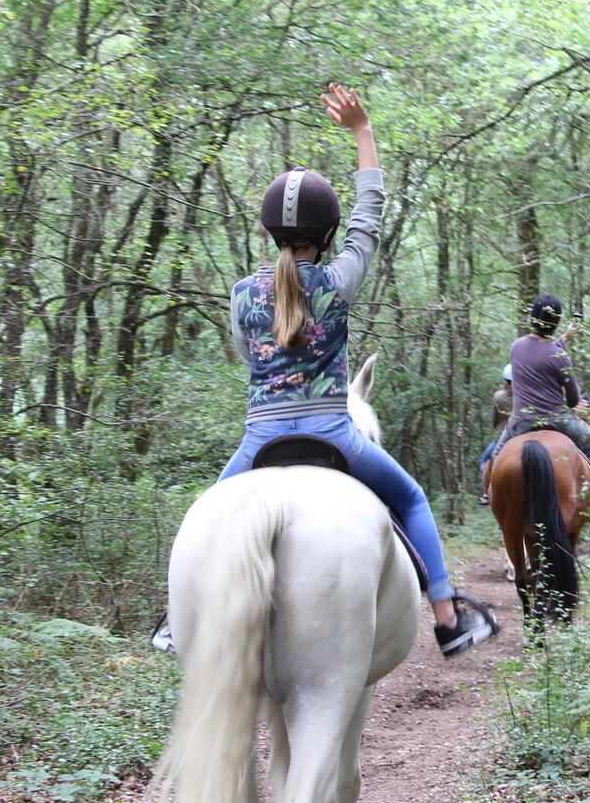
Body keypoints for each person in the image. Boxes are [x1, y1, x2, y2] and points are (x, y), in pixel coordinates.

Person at [156, 84, 497, 659]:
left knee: (205, 521)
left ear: (269, 233)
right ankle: (446, 617)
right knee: (411, 498)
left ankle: (176, 619)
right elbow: (371, 215)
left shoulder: (243, 295)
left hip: (260, 439)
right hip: (334, 435)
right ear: (328, 235)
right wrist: (362, 132)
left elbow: (249, 358)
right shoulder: (338, 283)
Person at [482, 294, 590, 485]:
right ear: (556, 322)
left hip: (521, 422)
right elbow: (573, 399)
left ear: (533, 318)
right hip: (558, 421)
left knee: (495, 460)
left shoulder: (516, 347)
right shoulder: (559, 355)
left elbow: (537, 351)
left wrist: (565, 338)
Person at [477, 365, 514, 505]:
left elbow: (495, 419)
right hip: (525, 430)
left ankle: (485, 492)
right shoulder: (527, 394)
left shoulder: (499, 396)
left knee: (484, 459)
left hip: (503, 435)